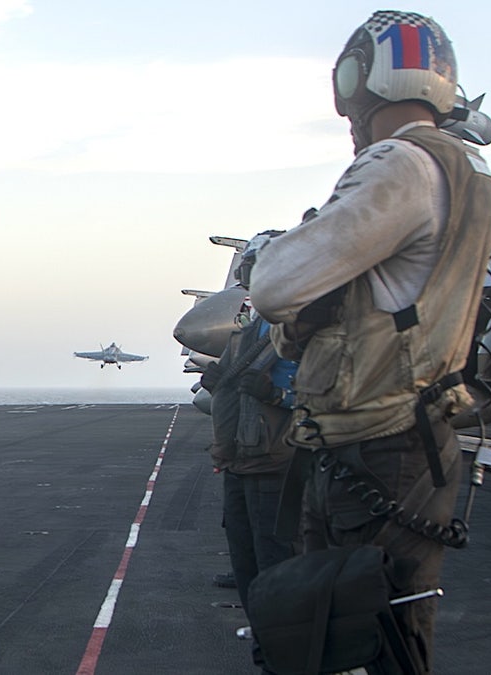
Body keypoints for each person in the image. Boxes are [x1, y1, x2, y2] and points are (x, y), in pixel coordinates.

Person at [249, 11, 491, 672]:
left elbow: (274, 285)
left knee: (347, 634)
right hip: (414, 439)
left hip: (375, 444)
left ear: (364, 80)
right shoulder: (468, 173)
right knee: (391, 630)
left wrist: (268, 252)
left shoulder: (398, 164)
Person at [201, 232, 299, 663]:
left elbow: (326, 389)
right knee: (245, 559)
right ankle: (266, 634)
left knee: (275, 559)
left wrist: (277, 397)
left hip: (275, 462)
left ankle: (285, 645)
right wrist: (216, 378)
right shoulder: (248, 331)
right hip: (240, 459)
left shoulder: (297, 327)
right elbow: (229, 379)